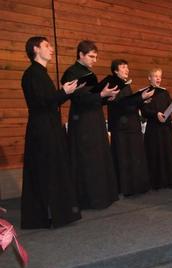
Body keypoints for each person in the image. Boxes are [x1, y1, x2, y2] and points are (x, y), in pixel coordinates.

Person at [20, 36, 81, 228]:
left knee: (55, 168)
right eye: (47, 45)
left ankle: (59, 212)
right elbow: (41, 102)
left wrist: (64, 93)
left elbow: (49, 101)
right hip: (42, 129)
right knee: (46, 170)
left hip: (49, 126)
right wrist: (63, 92)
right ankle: (47, 215)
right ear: (36, 49)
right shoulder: (31, 74)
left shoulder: (41, 73)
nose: (52, 49)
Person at [61, 40, 119, 209]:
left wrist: (107, 97)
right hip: (83, 122)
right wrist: (101, 94)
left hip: (94, 119)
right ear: (81, 54)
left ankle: (102, 195)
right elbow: (78, 98)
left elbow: (94, 98)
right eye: (91, 56)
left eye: (96, 57)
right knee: (87, 158)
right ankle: (89, 198)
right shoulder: (71, 72)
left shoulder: (88, 73)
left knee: (98, 155)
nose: (95, 60)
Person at [101, 59, 154, 196]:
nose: (127, 70)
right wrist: (140, 98)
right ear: (115, 71)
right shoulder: (114, 85)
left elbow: (129, 104)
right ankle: (126, 188)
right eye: (123, 67)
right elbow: (121, 105)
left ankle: (136, 185)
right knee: (124, 158)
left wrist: (142, 99)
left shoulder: (125, 85)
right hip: (121, 128)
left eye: (127, 67)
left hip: (131, 126)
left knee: (134, 156)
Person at [141, 68, 172, 189]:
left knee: (167, 152)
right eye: (155, 76)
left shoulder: (164, 92)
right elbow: (144, 111)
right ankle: (156, 181)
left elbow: (170, 107)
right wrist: (155, 114)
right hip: (154, 128)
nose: (158, 79)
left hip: (165, 127)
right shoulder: (145, 93)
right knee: (155, 153)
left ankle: (169, 180)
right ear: (149, 78)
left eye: (160, 76)